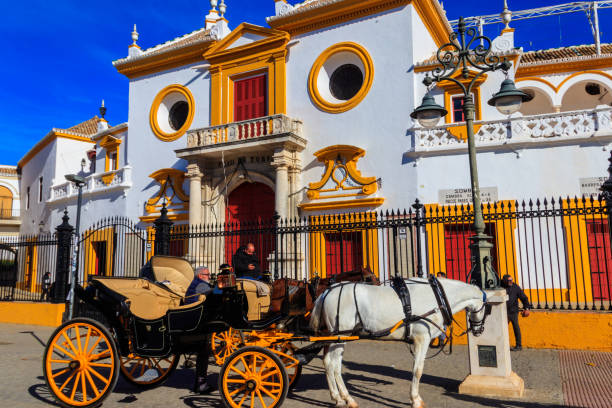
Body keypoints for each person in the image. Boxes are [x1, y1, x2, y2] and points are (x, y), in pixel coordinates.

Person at [185, 266, 215, 394]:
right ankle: (200, 383)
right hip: (194, 322)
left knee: (205, 350)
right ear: (200, 275)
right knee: (204, 350)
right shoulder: (201, 285)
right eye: (207, 274)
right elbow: (212, 300)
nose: (209, 276)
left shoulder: (198, 284)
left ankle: (200, 382)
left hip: (194, 319)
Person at [501, 274, 531, 351]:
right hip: (503, 311)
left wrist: (527, 308)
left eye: (512, 280)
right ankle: (502, 345)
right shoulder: (500, 286)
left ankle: (518, 345)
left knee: (516, 327)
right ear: (505, 281)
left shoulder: (515, 287)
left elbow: (524, 297)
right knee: (502, 329)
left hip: (513, 311)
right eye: (509, 280)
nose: (511, 282)